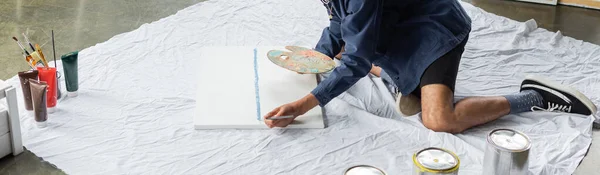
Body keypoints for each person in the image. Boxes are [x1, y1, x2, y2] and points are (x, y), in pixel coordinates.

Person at [263, 0, 597, 133]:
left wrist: (307, 103)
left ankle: (535, 96)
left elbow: (359, 56)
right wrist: (316, 58)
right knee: (343, 58)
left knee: (439, 119)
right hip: (396, 26)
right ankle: (404, 79)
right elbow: (340, 22)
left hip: (435, 30)